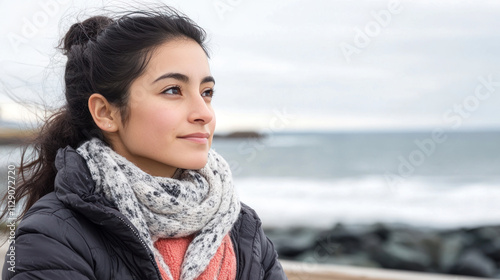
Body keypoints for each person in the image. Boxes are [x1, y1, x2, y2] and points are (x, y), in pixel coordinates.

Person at [1, 7, 287, 280]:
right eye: (173, 90)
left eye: (207, 91)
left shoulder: (243, 229)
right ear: (105, 112)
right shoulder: (52, 238)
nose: (204, 113)